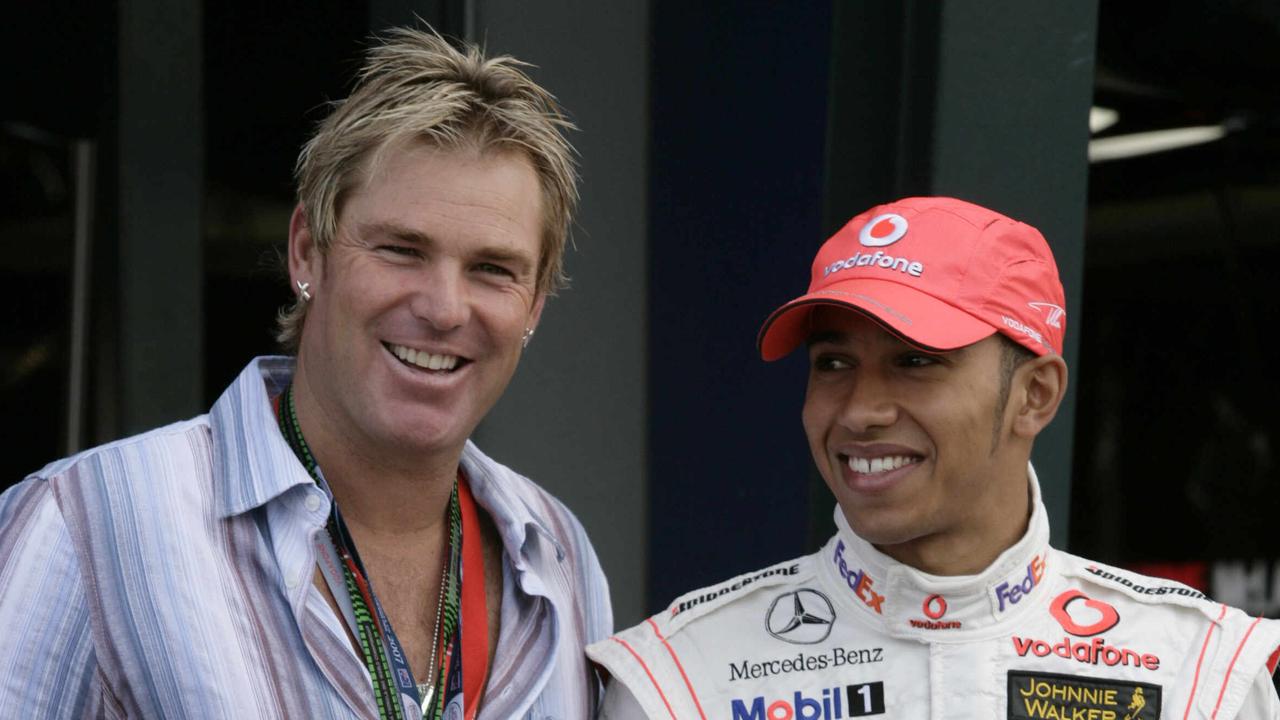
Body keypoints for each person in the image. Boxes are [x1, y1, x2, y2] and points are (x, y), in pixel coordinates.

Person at [0, 27, 611, 719]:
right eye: (401, 250)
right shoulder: (88, 523)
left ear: (533, 303)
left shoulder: (557, 554)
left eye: (492, 269)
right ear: (305, 254)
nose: (444, 308)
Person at [588, 196, 1280, 718]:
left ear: (1034, 396)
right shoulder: (679, 680)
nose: (860, 410)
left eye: (916, 361)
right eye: (833, 362)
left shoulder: (1201, 673)